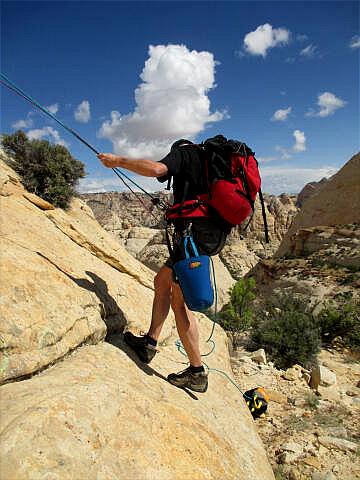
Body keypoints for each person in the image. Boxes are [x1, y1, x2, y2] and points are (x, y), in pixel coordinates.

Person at [98, 140, 228, 393]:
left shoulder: (184, 154)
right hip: (210, 234)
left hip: (193, 237)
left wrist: (119, 161)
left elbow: (157, 170)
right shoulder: (212, 164)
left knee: (179, 303)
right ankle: (149, 343)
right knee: (162, 282)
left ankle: (196, 371)